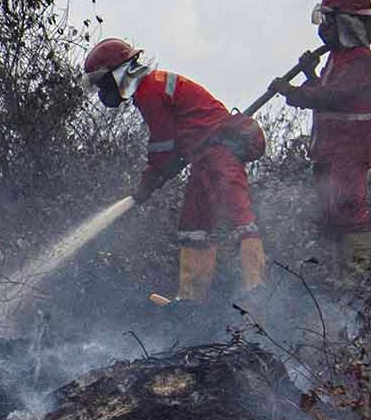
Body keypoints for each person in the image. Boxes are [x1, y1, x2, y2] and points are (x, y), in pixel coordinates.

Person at [84, 36, 266, 304]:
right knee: (193, 225)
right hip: (203, 156)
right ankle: (191, 300)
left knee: (239, 216)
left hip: (219, 153)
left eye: (102, 82)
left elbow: (163, 144)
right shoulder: (150, 88)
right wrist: (159, 172)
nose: (102, 90)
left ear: (117, 73)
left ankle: (257, 288)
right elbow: (171, 144)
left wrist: (147, 184)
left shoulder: (149, 91)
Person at [279, 0, 371, 276]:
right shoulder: (339, 58)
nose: (323, 30)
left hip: (348, 152)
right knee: (331, 217)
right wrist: (310, 74)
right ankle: (337, 276)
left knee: (350, 212)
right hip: (328, 152)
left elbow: (331, 96)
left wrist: (291, 91)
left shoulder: (360, 59)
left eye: (329, 21)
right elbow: (324, 94)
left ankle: (357, 277)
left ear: (346, 22)